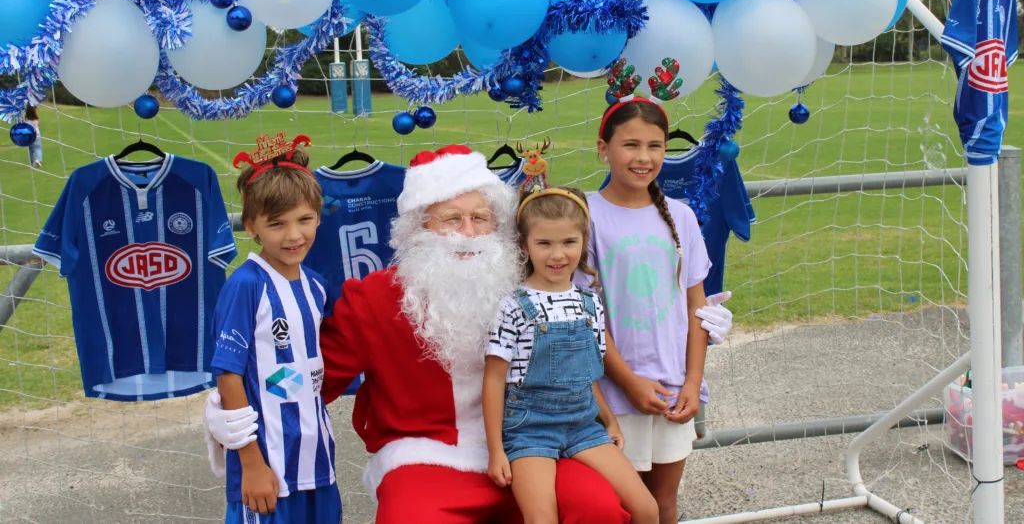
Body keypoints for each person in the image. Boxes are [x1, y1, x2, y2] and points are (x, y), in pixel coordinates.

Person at [205, 144, 735, 523]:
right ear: (418, 228)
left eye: (481, 217)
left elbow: (604, 309)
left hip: (538, 444)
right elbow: (310, 374)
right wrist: (234, 410)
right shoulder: (372, 299)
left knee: (600, 508)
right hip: (426, 454)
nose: (468, 232)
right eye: (450, 218)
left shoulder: (526, 280)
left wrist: (696, 315)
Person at [580, 98, 726, 524]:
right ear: (603, 148)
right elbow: (581, 319)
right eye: (630, 145)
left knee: (663, 505)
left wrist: (693, 383)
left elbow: (696, 306)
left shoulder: (680, 218)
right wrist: (627, 382)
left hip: (672, 393)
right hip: (613, 396)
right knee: (621, 507)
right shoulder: (585, 216)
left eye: (655, 146)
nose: (643, 158)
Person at [484, 177, 658, 524]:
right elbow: (493, 380)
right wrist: (496, 451)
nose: (558, 254)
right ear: (525, 244)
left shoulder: (590, 302)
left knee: (647, 509)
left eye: (569, 242)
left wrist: (609, 420)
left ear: (583, 242)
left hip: (583, 425)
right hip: (529, 429)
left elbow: (586, 370)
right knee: (541, 519)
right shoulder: (513, 306)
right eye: (544, 243)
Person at [209, 134, 340, 524]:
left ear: (318, 216)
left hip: (317, 461)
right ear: (251, 226)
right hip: (267, 467)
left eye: (304, 219)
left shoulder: (316, 285)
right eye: (277, 224)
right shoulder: (246, 285)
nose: (294, 235)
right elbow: (228, 375)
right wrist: (250, 463)